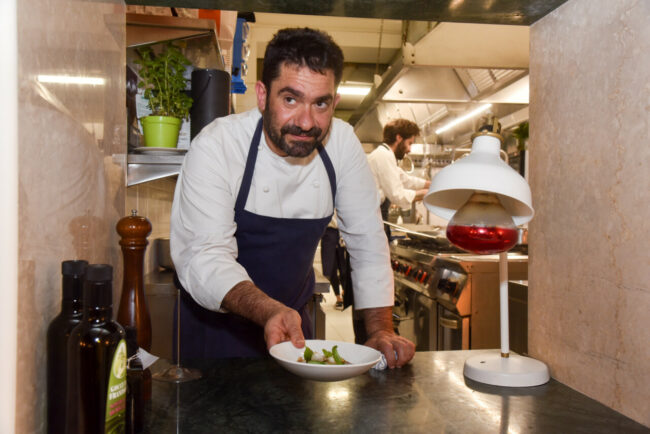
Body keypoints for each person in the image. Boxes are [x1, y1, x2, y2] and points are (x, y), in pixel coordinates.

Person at [170, 27, 415, 368]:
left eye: (320, 104)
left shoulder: (342, 145)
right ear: (261, 95)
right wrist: (268, 310)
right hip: (217, 332)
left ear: (335, 103)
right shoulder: (218, 146)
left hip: (294, 335)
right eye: (290, 99)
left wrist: (380, 330)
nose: (306, 122)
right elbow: (204, 257)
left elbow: (368, 245)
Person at [367, 119, 431, 239]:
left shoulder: (385, 154)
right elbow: (397, 195)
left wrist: (433, 185)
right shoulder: (383, 156)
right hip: (369, 224)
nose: (409, 149)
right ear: (399, 138)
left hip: (373, 221)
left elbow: (405, 179)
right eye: (409, 143)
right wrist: (429, 193)